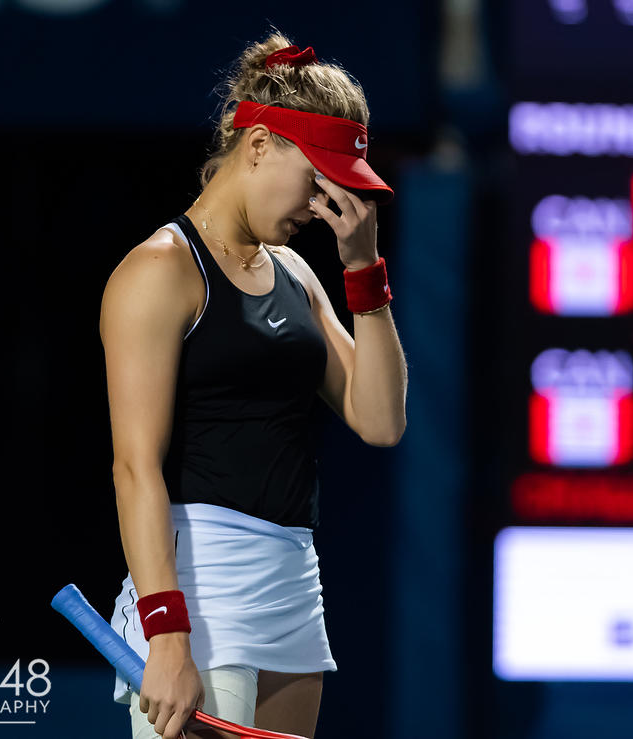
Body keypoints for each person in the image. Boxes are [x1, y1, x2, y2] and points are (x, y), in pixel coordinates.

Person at [98, 32, 407, 739]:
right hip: (201, 597)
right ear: (260, 144)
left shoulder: (296, 273)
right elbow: (134, 468)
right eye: (318, 178)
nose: (324, 202)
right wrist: (167, 634)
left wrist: (364, 269)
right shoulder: (157, 272)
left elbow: (382, 419)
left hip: (292, 589)